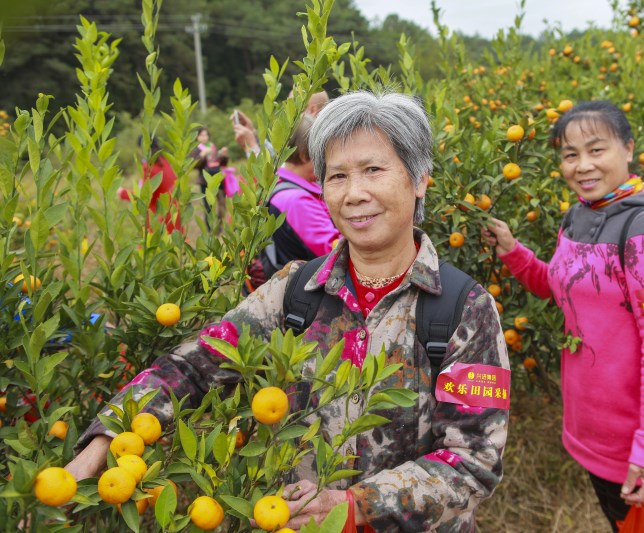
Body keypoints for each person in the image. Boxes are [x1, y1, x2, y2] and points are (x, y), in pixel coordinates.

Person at [69, 90, 510, 532]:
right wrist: (109, 433)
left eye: (373, 170)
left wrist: (352, 506)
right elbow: (195, 365)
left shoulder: (463, 309)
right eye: (337, 176)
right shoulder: (295, 290)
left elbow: (472, 461)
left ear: (419, 180)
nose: (354, 193)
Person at [482, 100, 644, 532]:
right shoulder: (580, 214)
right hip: (592, 424)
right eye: (570, 154)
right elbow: (562, 289)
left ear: (628, 148)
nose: (582, 166)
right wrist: (512, 252)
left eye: (597, 150)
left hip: (635, 438)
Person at [244, 113, 342, 294]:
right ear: (304, 155)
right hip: (305, 290)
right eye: (322, 155)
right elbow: (333, 250)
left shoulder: (280, 183)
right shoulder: (296, 201)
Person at [117, 137, 184, 234]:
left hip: (159, 216)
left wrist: (122, 193)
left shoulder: (149, 168)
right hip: (173, 212)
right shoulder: (165, 161)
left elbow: (145, 197)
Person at [231, 91, 329, 156]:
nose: (287, 113)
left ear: (311, 110)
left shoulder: (316, 147)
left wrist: (251, 147)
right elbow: (277, 158)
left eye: (292, 107)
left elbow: (277, 174)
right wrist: (253, 135)